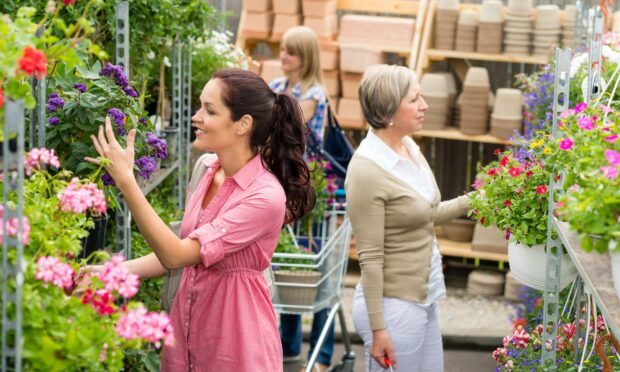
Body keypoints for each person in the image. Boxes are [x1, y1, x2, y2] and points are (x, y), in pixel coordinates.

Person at [84, 68, 315, 372]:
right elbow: (181, 254)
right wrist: (109, 273)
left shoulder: (265, 196)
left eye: (209, 110)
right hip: (187, 341)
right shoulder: (206, 168)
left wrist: (128, 182)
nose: (196, 117)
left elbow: (176, 254)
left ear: (243, 124)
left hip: (236, 349)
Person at [345, 64, 471, 372]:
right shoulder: (367, 170)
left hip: (424, 298)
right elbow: (371, 257)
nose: (424, 105)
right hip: (392, 309)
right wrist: (378, 330)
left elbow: (425, 214)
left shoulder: (409, 148)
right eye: (414, 99)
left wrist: (477, 199)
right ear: (388, 109)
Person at [268, 26, 334, 372]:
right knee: (289, 267)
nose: (283, 56)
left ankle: (321, 356)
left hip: (311, 192)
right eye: (281, 49)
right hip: (282, 187)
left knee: (316, 272)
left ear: (305, 57)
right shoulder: (277, 88)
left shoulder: (315, 93)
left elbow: (289, 125)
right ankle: (288, 347)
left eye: (290, 52)